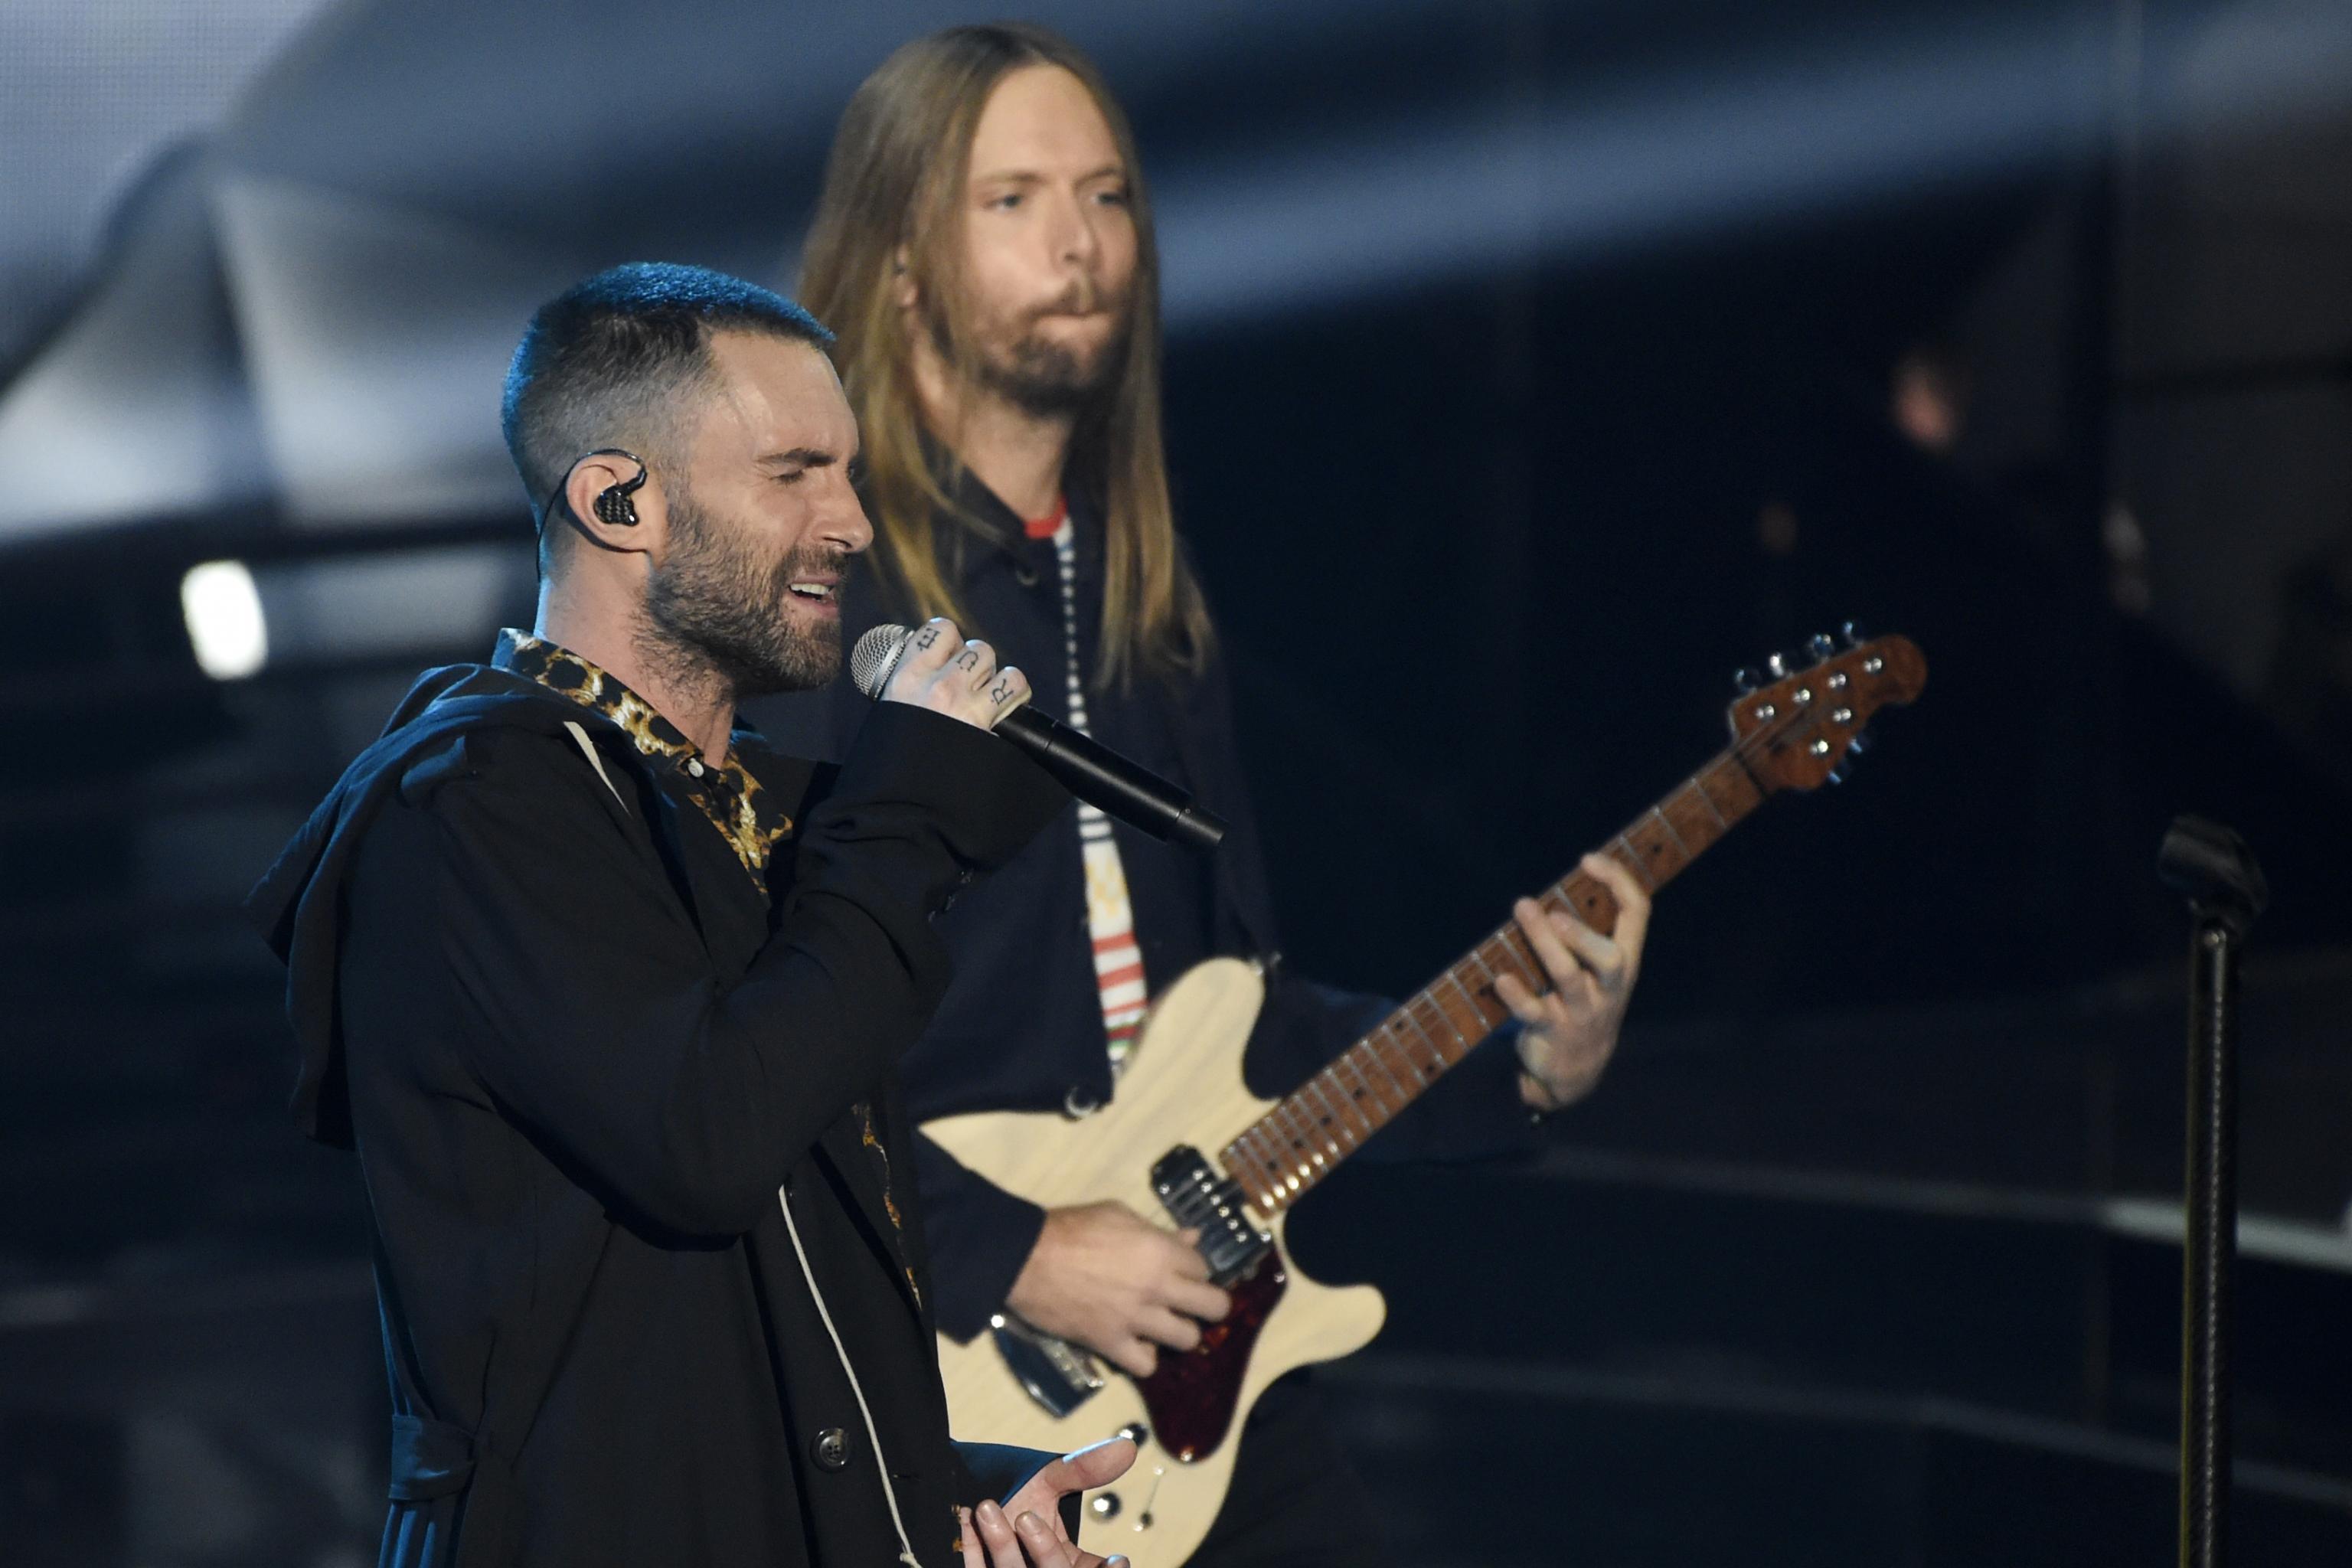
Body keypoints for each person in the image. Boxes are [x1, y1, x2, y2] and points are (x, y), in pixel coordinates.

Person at [742, 26, 1653, 1564]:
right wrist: (1009, 1252)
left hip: (1179, 1350)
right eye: (1014, 199)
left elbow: (1251, 1015)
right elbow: (726, 1030)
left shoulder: (1144, 595)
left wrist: (1526, 1061)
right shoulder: (817, 596)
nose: (1081, 243)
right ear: (899, 259)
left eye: (1107, 196)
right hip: (919, 1356)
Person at [247, 262, 1141, 1568]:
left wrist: (942, 1499)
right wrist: (898, 826)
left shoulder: (761, 815)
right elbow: (706, 1137)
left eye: (846, 472)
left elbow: (772, 1317)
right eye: (794, 473)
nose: (850, 524)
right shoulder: (475, 808)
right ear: (620, 499)